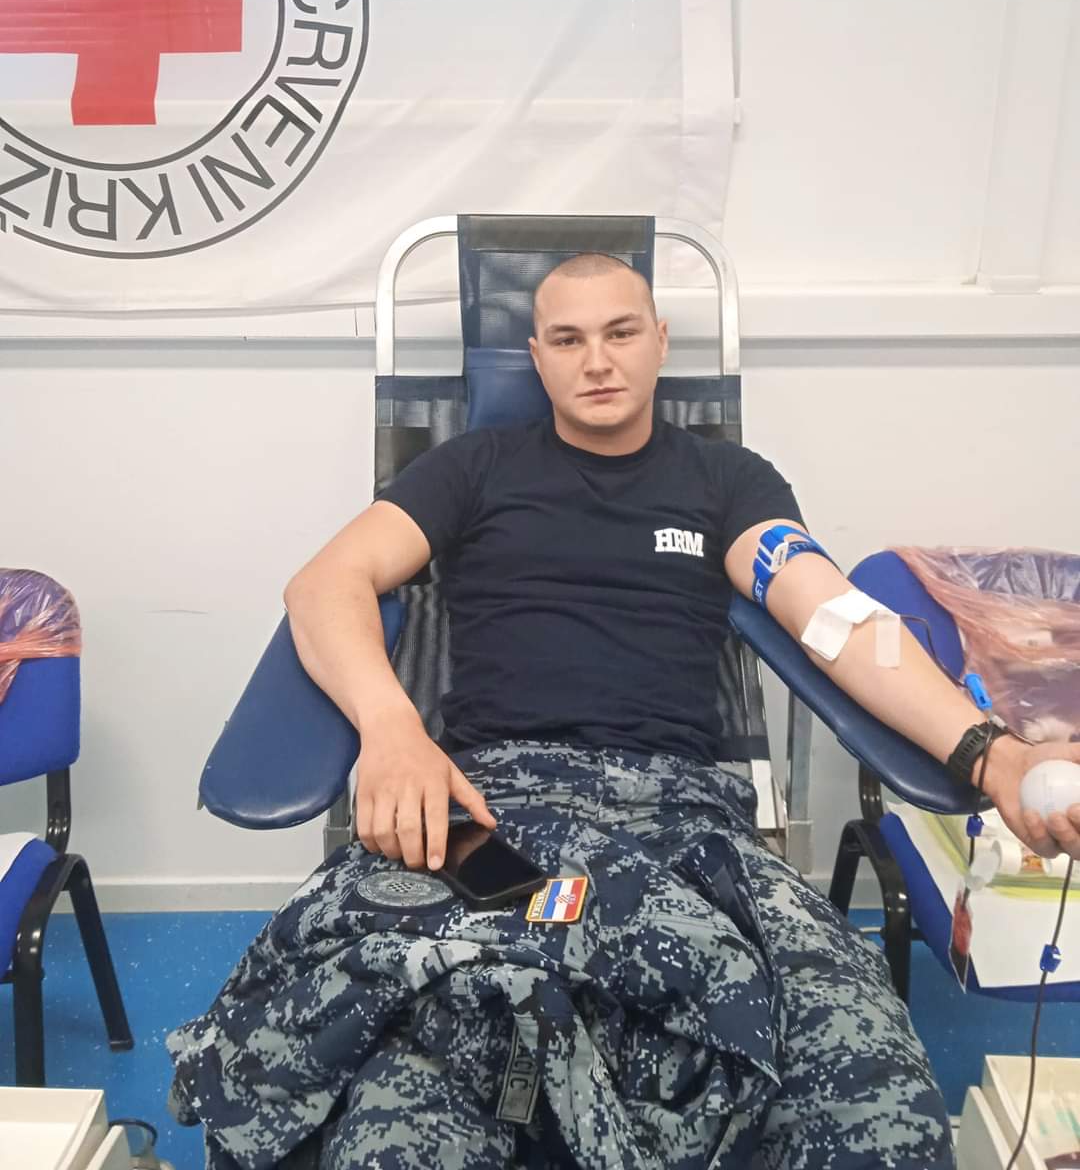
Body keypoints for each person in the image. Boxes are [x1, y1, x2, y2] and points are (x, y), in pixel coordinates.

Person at [168, 254, 1080, 1170]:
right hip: (492, 810)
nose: (597, 360)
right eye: (568, 339)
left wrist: (993, 754)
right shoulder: (474, 467)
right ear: (537, 357)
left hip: (681, 818)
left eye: (621, 332)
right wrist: (391, 727)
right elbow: (325, 582)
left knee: (869, 1089)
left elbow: (834, 619)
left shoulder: (728, 481)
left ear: (660, 342)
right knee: (396, 1089)